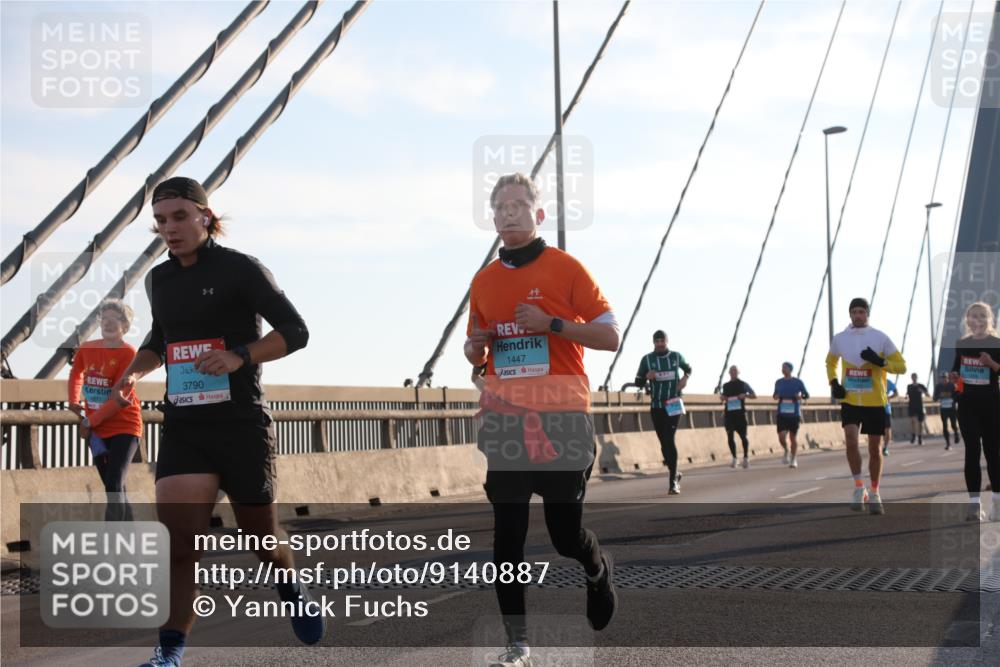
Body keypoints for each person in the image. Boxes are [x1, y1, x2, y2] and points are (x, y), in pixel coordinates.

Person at [113, 177, 318, 667]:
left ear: (205, 216)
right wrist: (135, 369)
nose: (170, 228)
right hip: (186, 426)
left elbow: (296, 331)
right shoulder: (158, 280)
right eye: (161, 221)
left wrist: (239, 356)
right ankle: (169, 653)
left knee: (261, 540)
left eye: (180, 216)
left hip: (241, 424)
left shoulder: (242, 269)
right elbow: (162, 337)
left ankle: (288, 581)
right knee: (179, 546)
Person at [466, 173, 619, 667]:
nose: (509, 212)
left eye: (518, 204)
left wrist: (552, 324)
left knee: (562, 535)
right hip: (507, 423)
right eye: (500, 206)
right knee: (506, 539)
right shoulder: (484, 280)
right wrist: (475, 349)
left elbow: (609, 335)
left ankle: (596, 570)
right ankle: (517, 643)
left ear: (538, 215)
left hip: (562, 422)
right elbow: (477, 347)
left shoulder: (566, 268)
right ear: (493, 219)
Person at [827, 297, 905, 515]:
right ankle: (858, 487)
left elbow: (902, 366)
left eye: (862, 311)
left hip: (875, 401)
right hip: (851, 400)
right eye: (854, 312)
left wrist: (880, 362)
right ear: (850, 314)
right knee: (851, 442)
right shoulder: (840, 339)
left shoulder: (880, 338)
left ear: (867, 314)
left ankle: (875, 491)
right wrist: (834, 383)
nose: (858, 315)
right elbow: (830, 362)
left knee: (874, 448)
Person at [68, 298, 143, 521]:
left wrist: (90, 421)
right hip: (98, 431)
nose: (108, 323)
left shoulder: (129, 354)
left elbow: (118, 399)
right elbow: (76, 373)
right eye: (105, 318)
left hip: (125, 426)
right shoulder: (87, 348)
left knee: (114, 484)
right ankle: (130, 541)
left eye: (116, 319)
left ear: (125, 326)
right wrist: (74, 401)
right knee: (114, 488)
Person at [949, 302, 1000, 521]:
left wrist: (991, 363)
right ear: (968, 320)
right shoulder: (961, 344)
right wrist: (953, 378)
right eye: (974, 316)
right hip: (968, 405)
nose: (978, 320)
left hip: (992, 405)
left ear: (989, 319)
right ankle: (974, 507)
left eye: (982, 316)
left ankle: (997, 505)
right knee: (972, 451)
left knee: (993, 454)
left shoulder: (996, 343)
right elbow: (956, 371)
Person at [635, 330, 692, 493]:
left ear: (667, 341)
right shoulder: (647, 359)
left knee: (669, 438)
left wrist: (684, 378)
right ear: (653, 343)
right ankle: (675, 472)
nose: (660, 344)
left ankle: (673, 480)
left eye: (662, 341)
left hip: (673, 403)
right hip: (657, 406)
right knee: (663, 443)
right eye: (657, 341)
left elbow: (689, 368)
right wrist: (647, 376)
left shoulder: (676, 357)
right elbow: (638, 381)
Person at [773, 362, 809, 468]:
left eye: (784, 368)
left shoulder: (798, 382)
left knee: (793, 438)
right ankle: (786, 450)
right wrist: (776, 396)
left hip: (794, 414)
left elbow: (806, 394)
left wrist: (800, 396)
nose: (782, 369)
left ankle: (793, 459)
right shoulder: (778, 382)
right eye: (782, 367)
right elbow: (775, 395)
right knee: (781, 437)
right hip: (782, 413)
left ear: (790, 369)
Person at [719, 365, 756, 468]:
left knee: (743, 437)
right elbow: (723, 397)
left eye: (735, 371)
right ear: (729, 373)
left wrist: (745, 395)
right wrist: (722, 398)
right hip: (729, 415)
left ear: (738, 372)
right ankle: (735, 458)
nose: (733, 372)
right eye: (731, 371)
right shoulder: (726, 385)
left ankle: (746, 458)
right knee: (730, 436)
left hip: (740, 414)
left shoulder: (743, 384)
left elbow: (754, 395)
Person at [933, 371, 960, 450]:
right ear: (940, 379)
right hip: (943, 408)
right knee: (944, 426)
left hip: (952, 408)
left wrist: (951, 396)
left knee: (953, 425)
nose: (944, 380)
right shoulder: (938, 386)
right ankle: (948, 444)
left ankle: (956, 433)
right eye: (942, 378)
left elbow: (958, 395)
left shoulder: (952, 385)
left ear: (948, 378)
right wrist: (939, 396)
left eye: (945, 378)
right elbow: (934, 398)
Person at [906, 373, 930, 445]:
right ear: (911, 378)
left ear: (917, 378)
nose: (914, 378)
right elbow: (907, 394)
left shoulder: (921, 386)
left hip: (920, 406)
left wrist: (922, 391)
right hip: (911, 406)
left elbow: (928, 394)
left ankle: (920, 437)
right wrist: (906, 397)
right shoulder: (909, 386)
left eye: (915, 377)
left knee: (920, 423)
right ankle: (913, 435)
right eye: (912, 377)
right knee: (912, 421)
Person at [882, 378, 898, 456]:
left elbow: (896, 392)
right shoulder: (871, 378)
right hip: (873, 408)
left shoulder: (887, 381)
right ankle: (877, 447)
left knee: (887, 430)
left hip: (885, 409)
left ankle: (885, 447)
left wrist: (889, 398)